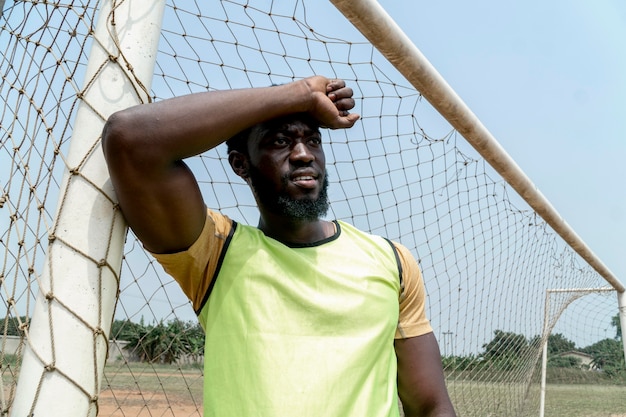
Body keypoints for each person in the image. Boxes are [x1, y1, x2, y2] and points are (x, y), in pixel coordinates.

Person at [102, 75, 456, 417]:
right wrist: (301, 93)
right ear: (241, 164)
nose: (304, 154)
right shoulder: (215, 254)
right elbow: (129, 138)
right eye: (279, 142)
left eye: (313, 140)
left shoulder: (391, 261)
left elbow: (429, 406)